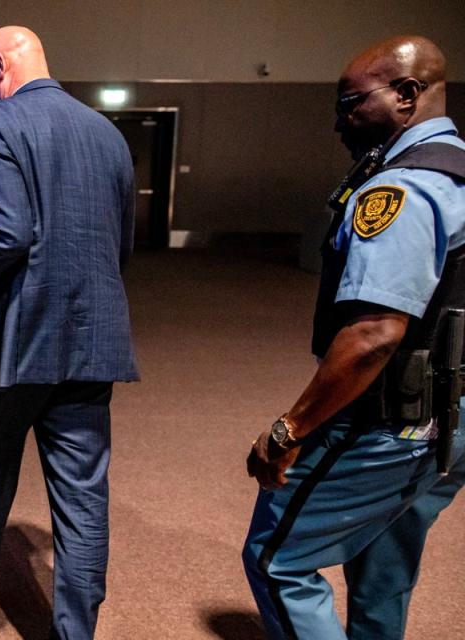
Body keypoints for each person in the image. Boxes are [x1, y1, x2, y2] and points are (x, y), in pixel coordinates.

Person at [243, 35, 465, 640]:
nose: (340, 120)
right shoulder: (458, 172)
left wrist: (291, 429)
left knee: (276, 559)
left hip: (390, 421)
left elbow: (372, 334)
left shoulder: (403, 189)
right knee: (384, 561)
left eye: (351, 103)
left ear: (407, 94)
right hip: (451, 417)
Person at [0, 26, 138, 639]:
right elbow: (121, 246)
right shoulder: (109, 134)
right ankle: (76, 631)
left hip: (17, 340)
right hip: (93, 338)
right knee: (84, 496)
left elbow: (3, 237)